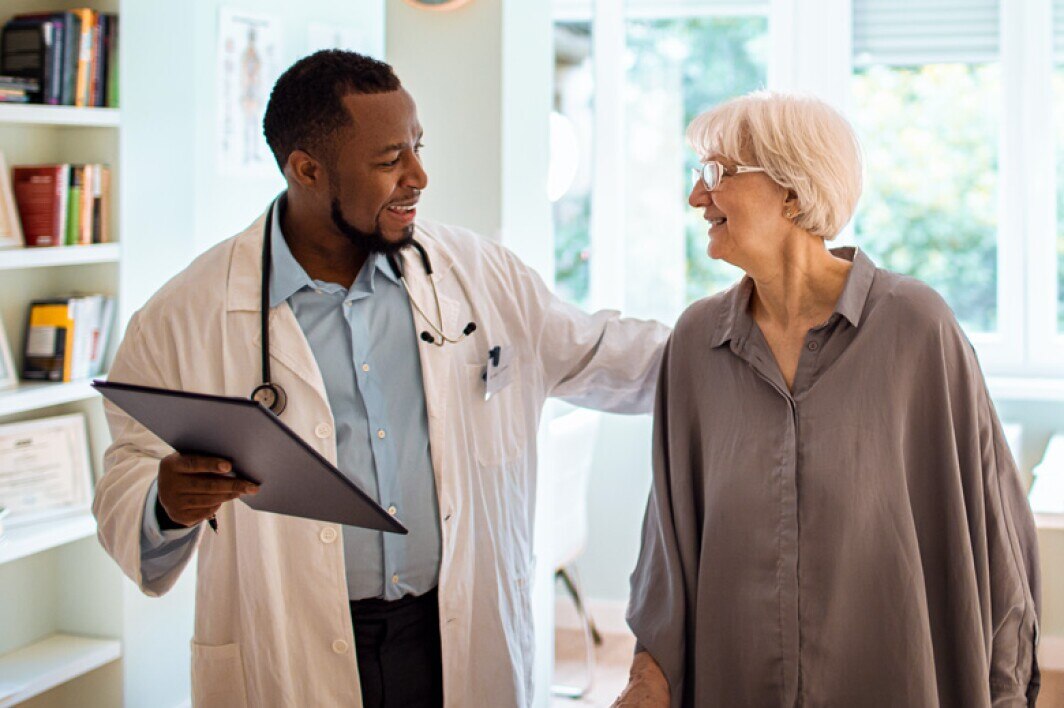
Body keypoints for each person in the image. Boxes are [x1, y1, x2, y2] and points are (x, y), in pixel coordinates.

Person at [93, 50, 670, 708]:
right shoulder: (184, 315)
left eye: (417, 148)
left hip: (451, 634)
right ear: (307, 170)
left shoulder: (474, 275)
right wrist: (165, 504)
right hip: (290, 648)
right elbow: (126, 479)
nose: (419, 176)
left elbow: (607, 352)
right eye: (390, 159)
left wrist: (757, 334)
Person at [613, 91, 1040, 707]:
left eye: (716, 174)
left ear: (791, 191)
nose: (696, 197)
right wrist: (643, 683)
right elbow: (668, 554)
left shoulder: (917, 326)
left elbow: (997, 541)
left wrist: (1005, 692)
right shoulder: (696, 344)